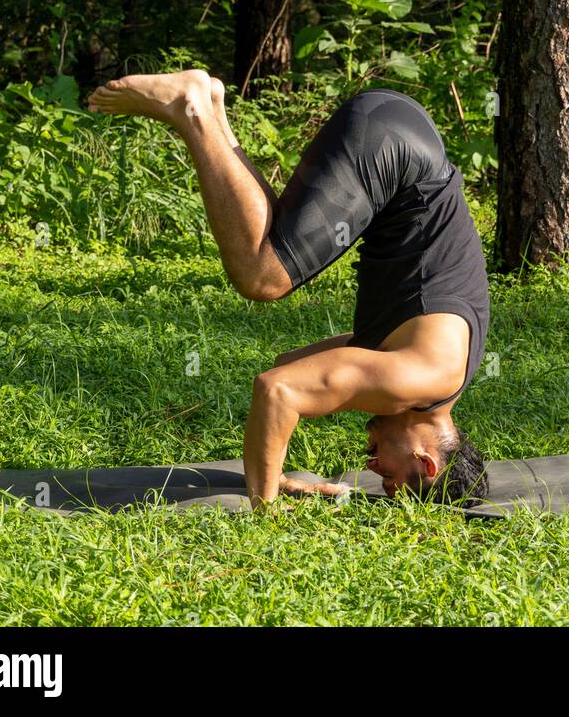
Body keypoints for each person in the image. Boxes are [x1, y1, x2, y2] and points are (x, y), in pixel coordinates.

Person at [88, 70, 490, 509]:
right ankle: (192, 107)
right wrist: (266, 505)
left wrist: (278, 472)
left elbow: (291, 367)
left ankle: (211, 111)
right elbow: (277, 390)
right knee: (264, 275)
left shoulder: (435, 373)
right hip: (390, 152)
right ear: (426, 462)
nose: (371, 467)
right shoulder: (416, 378)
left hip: (396, 131)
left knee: (272, 248)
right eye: (389, 476)